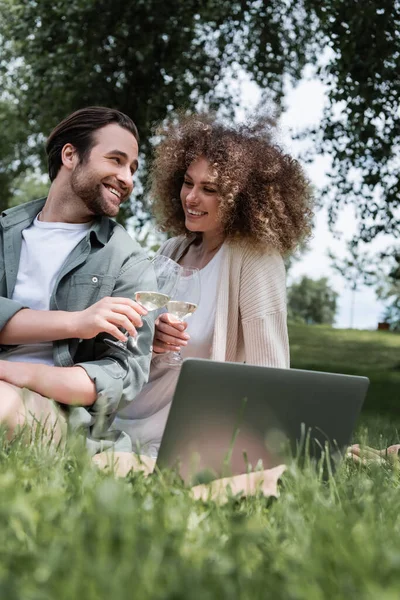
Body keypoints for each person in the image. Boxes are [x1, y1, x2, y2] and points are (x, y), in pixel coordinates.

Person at [112, 113, 313, 472]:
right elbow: (137, 350)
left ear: (241, 199)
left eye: (210, 189)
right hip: (128, 415)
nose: (191, 197)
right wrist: (152, 339)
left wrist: (271, 450)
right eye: (188, 183)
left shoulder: (254, 259)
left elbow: (271, 369)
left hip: (186, 435)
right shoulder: (172, 250)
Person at [0, 106, 156, 454]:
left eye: (132, 168)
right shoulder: (4, 233)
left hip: (58, 413)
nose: (128, 178)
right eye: (116, 160)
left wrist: (13, 373)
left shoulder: (129, 261)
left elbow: (122, 373)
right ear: (70, 155)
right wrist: (76, 322)